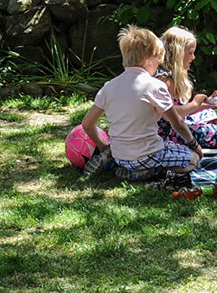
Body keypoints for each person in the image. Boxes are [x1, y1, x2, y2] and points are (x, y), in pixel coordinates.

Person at [80, 26, 204, 181]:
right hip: (149, 154)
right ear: (150, 58)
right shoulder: (154, 86)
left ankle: (112, 159)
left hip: (120, 155)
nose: (158, 66)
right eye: (158, 61)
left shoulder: (109, 87)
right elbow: (176, 122)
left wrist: (103, 146)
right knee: (192, 159)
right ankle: (148, 172)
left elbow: (87, 124)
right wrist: (194, 145)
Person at [156, 26, 217, 150]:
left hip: (175, 126)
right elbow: (169, 115)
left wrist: (204, 106)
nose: (193, 57)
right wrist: (195, 104)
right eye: (190, 53)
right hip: (167, 134)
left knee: (208, 113)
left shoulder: (167, 76)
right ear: (178, 54)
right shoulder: (165, 81)